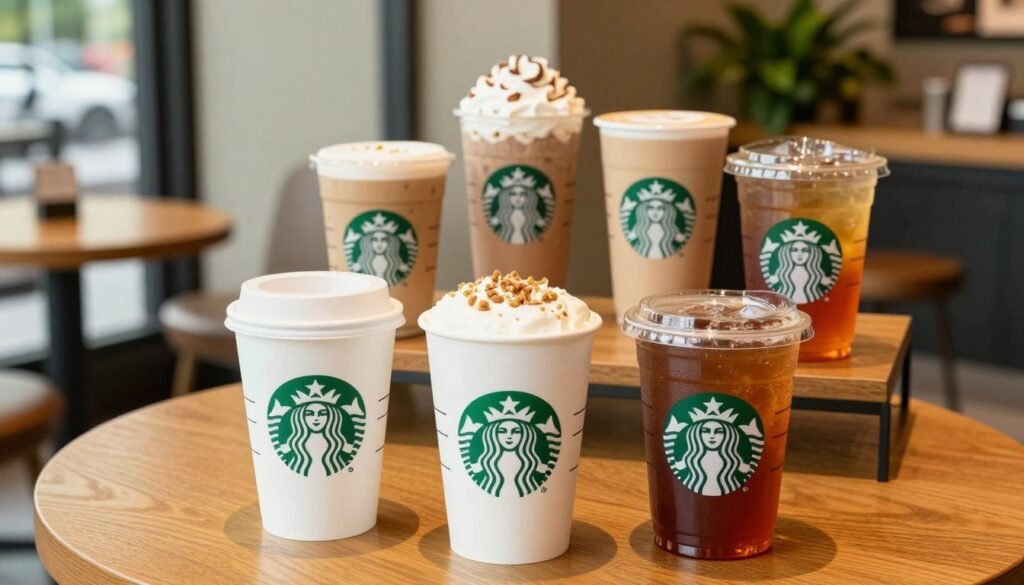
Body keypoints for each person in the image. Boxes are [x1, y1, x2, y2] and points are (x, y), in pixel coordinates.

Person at [673, 420, 752, 496]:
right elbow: (677, 466)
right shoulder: (689, 458)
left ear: (728, 435)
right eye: (705, 431)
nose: (712, 436)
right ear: (696, 434)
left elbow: (746, 470)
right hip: (686, 502)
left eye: (719, 431)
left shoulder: (734, 459)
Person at [474, 419, 546, 497]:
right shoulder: (485, 460)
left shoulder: (531, 460)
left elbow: (545, 472)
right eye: (502, 431)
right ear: (494, 435)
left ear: (525, 435)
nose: (509, 436)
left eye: (516, 432)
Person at [285, 400, 350, 477]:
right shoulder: (294, 442)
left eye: (322, 414)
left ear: (331, 417)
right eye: (309, 414)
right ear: (301, 417)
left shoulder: (338, 442)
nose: (316, 418)